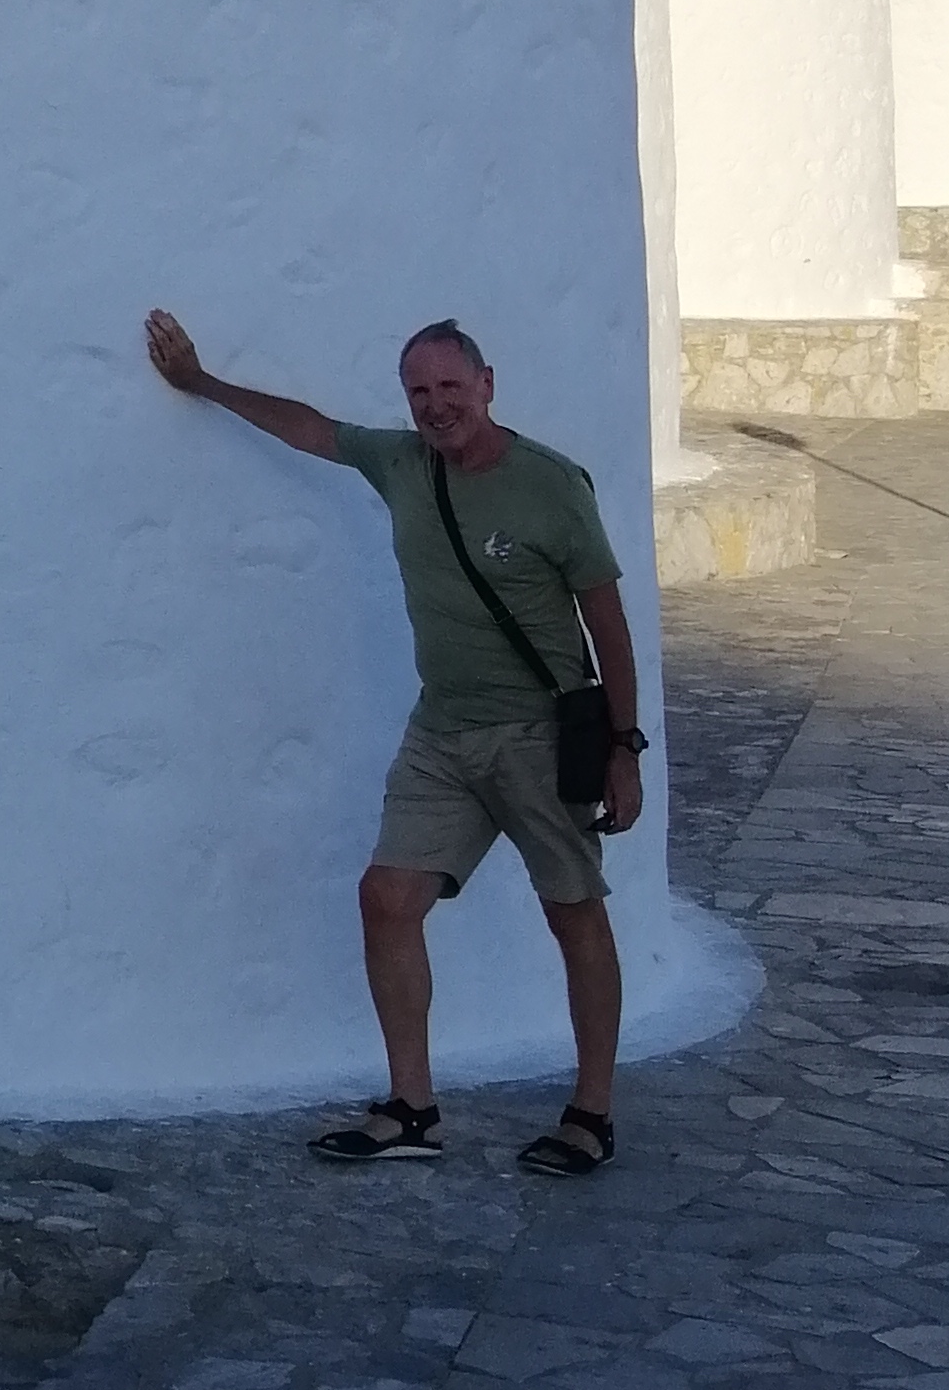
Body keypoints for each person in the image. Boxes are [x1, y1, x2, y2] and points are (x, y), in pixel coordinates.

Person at [142, 306, 647, 1175]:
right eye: (419, 391)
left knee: (573, 912)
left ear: (487, 385)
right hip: (441, 733)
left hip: (539, 733)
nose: (436, 404)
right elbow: (310, 429)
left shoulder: (551, 484)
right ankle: (412, 1108)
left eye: (451, 386)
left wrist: (624, 749)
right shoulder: (404, 464)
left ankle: (590, 1114)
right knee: (386, 897)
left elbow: (608, 624)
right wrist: (202, 382)